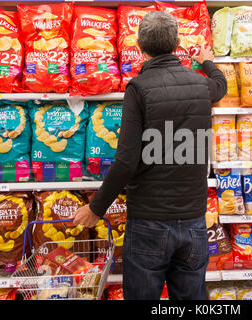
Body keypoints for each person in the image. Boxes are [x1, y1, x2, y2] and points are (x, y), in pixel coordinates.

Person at [72, 11, 227, 300]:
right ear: (176, 42)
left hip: (149, 223)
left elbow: (126, 160)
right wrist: (207, 61)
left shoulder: (139, 89)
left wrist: (96, 208)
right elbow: (221, 85)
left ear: (141, 48)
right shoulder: (200, 84)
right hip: (194, 218)